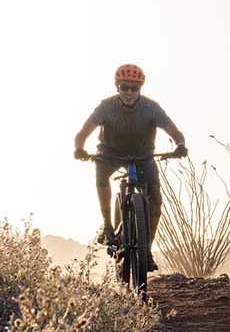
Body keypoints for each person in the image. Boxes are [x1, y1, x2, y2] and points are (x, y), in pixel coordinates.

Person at [73, 63, 186, 265]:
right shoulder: (106, 107)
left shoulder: (151, 108)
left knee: (156, 203)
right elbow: (83, 132)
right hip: (109, 155)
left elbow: (175, 131)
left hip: (143, 158)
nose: (129, 92)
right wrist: (80, 148)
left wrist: (180, 145)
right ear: (117, 86)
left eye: (134, 88)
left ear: (140, 90)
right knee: (101, 180)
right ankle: (107, 226)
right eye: (125, 86)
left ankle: (147, 251)